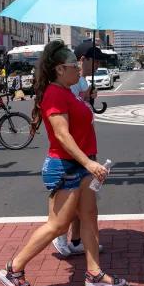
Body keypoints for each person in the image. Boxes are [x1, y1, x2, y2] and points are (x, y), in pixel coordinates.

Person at [0, 40, 128, 286]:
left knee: (89, 217)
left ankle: (94, 273)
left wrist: (86, 100)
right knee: (58, 225)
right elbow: (62, 136)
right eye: (73, 65)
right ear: (59, 69)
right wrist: (89, 163)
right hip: (66, 166)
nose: (79, 68)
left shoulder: (68, 92)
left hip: (82, 164)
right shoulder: (55, 94)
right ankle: (14, 268)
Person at [52, 41, 109, 258]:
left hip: (86, 144)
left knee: (86, 199)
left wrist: (88, 96)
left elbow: (81, 101)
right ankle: (59, 235)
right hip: (76, 149)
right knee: (71, 197)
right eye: (94, 61)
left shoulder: (81, 81)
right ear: (82, 59)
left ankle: (76, 240)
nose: (97, 66)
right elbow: (65, 117)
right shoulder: (66, 83)